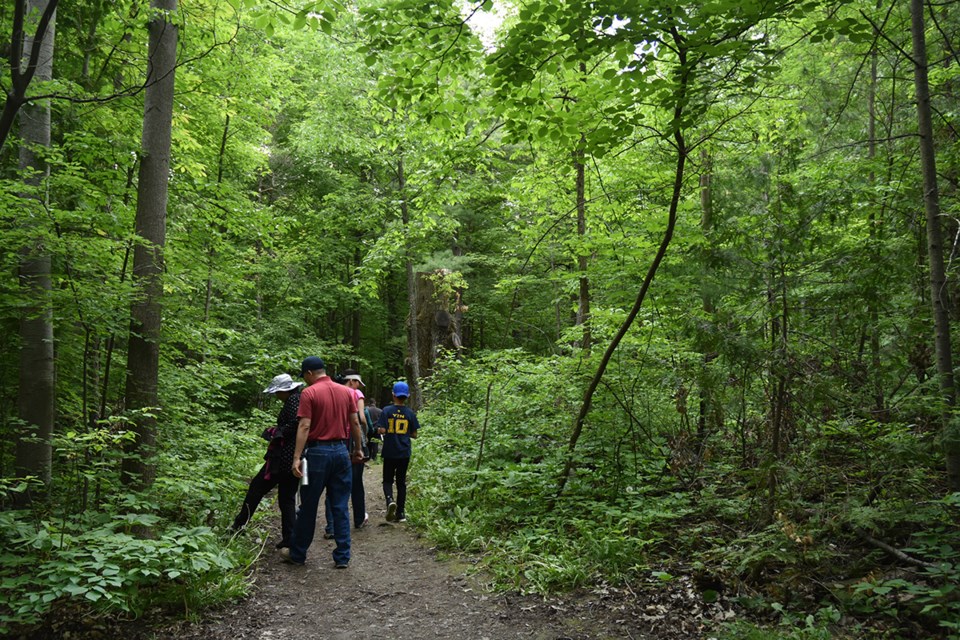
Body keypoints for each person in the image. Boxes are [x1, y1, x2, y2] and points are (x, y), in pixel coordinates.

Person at [283, 356, 364, 568]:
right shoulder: (347, 392)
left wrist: (296, 458)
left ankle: (298, 554)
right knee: (340, 506)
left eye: (305, 376)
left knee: (308, 505)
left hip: (317, 454)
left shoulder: (309, 393)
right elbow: (355, 422)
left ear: (309, 373)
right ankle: (343, 557)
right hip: (340, 452)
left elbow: (304, 426)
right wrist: (357, 449)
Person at [231, 373, 303, 549]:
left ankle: (238, 526)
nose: (276, 396)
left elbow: (296, 424)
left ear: (285, 390)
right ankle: (289, 538)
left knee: (256, 488)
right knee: (286, 498)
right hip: (290, 457)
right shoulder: (297, 399)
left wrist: (277, 432)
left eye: (277, 392)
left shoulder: (294, 400)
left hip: (283, 459)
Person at [323, 368, 369, 536]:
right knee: (356, 482)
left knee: (333, 484)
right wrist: (363, 438)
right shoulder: (356, 394)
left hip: (335, 440)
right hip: (352, 441)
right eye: (357, 382)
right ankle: (358, 519)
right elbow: (361, 419)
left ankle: (331, 527)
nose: (358, 386)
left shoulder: (332, 392)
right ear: (352, 381)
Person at [377, 381, 420, 523]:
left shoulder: (386, 411)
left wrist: (384, 430)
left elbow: (382, 430)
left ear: (393, 395)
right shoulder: (410, 413)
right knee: (401, 482)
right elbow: (414, 434)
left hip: (390, 451)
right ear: (407, 395)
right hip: (404, 452)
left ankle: (389, 500)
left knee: (388, 480)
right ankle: (401, 513)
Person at [365, 396, 382, 461]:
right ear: (375, 403)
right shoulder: (380, 411)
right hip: (377, 429)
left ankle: (368, 456)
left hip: (369, 429)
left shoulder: (367, 410)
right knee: (375, 443)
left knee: (369, 442)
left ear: (369, 403)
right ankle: (374, 457)